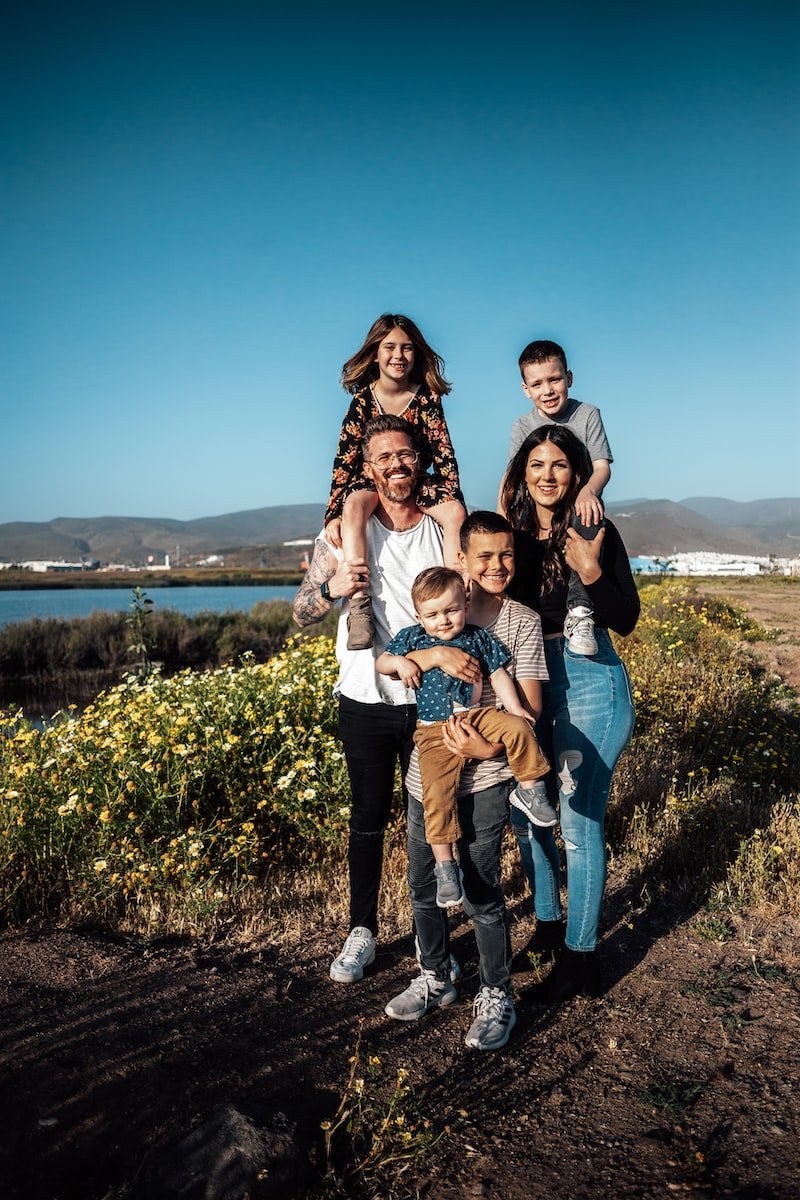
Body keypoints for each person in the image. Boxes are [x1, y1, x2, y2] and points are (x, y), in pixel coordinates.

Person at [293, 414, 464, 985]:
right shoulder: (341, 535)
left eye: (405, 454)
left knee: (428, 821)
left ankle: (429, 939)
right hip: (365, 696)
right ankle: (361, 931)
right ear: (368, 468)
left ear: (420, 461)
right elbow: (301, 613)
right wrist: (331, 588)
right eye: (384, 457)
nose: (396, 464)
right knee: (367, 817)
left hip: (430, 703)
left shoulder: (441, 531)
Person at [384, 511, 549, 1050]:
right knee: (424, 882)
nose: (497, 565)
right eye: (484, 555)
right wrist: (430, 653)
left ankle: (496, 991)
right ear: (461, 561)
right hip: (425, 770)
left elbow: (528, 706)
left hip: (488, 774)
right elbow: (387, 664)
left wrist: (486, 747)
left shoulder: (518, 622)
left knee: (480, 887)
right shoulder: (430, 615)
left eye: (506, 555)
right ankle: (436, 974)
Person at [501, 425, 639, 1003]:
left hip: (589, 679)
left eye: (560, 464)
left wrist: (587, 566)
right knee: (529, 812)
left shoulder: (596, 530)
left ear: (577, 473)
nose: (548, 475)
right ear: (521, 473)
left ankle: (582, 958)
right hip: (529, 675)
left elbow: (625, 616)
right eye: (537, 464)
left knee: (579, 826)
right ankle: (549, 926)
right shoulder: (511, 537)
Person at [376, 566, 552, 909]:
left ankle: (531, 790)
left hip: (478, 717)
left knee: (519, 729)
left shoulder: (477, 637)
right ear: (418, 616)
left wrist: (517, 709)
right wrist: (402, 664)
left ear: (465, 606)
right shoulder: (412, 638)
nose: (443, 620)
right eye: (433, 614)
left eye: (451, 610)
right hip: (433, 731)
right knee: (436, 796)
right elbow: (382, 662)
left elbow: (499, 675)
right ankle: (445, 866)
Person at [324, 314, 466, 651]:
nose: (398, 356)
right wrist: (332, 513)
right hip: (370, 481)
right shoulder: (361, 401)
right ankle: (360, 606)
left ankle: (459, 592)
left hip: (418, 480)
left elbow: (443, 452)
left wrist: (451, 497)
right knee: (354, 505)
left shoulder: (428, 397)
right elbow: (344, 460)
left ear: (416, 353)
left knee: (455, 513)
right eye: (389, 347)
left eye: (406, 348)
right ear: (375, 353)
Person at [503, 339, 613, 658]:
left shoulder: (587, 414)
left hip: (578, 506)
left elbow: (602, 466)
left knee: (588, 516)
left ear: (569, 378)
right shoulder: (522, 425)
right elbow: (512, 476)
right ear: (526, 389)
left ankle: (580, 613)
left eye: (555, 379)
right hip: (535, 508)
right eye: (537, 383)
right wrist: (501, 516)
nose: (548, 390)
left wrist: (589, 490)